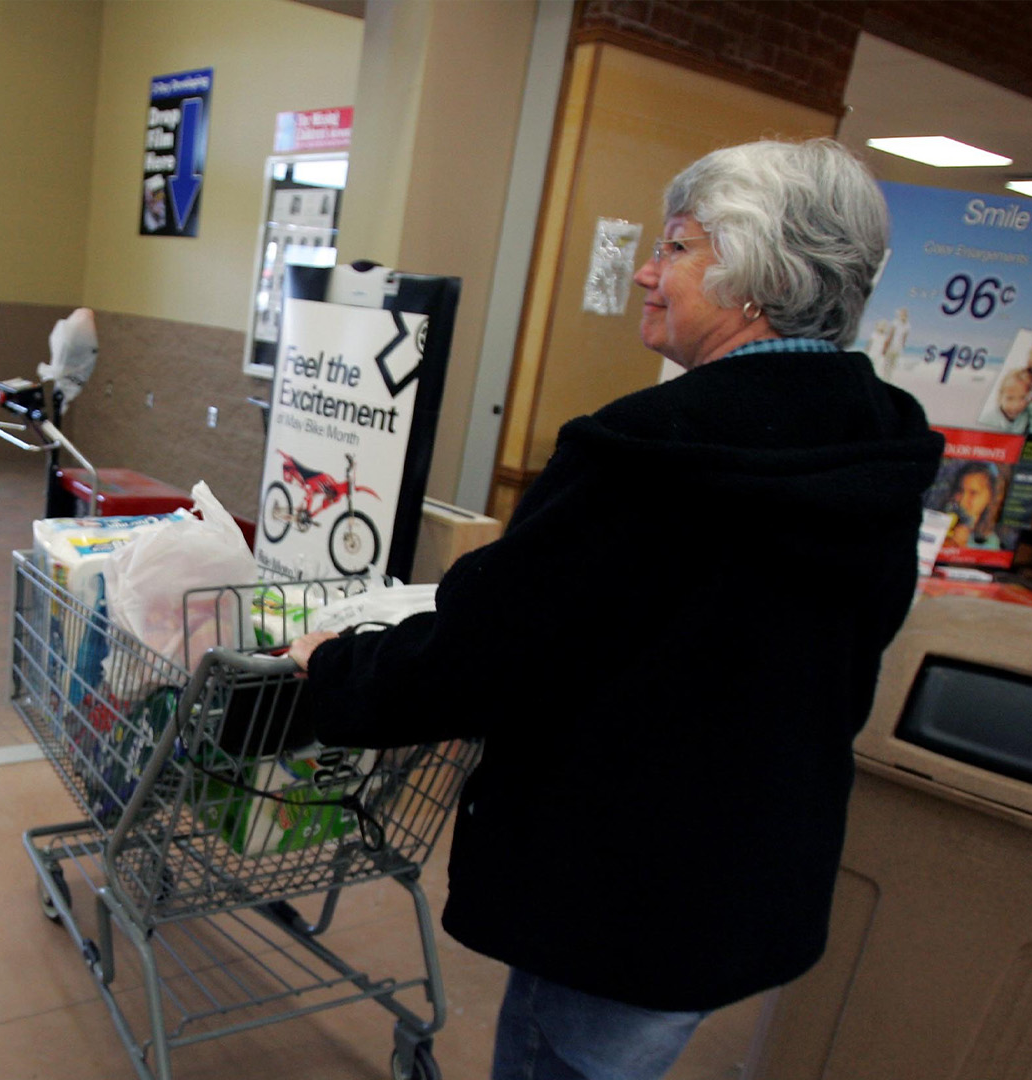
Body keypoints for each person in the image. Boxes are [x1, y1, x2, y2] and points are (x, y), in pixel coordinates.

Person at [288, 138, 943, 1080]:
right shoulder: (879, 442)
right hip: (751, 873)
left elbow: (490, 650)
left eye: (677, 247)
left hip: (618, 881)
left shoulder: (650, 451)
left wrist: (338, 666)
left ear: (755, 275)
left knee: (561, 1058)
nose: (646, 269)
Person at [941, 461, 1002, 550]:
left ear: (990, 497)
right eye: (960, 490)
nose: (962, 500)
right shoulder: (944, 521)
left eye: (973, 493)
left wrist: (963, 546)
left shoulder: (990, 541)